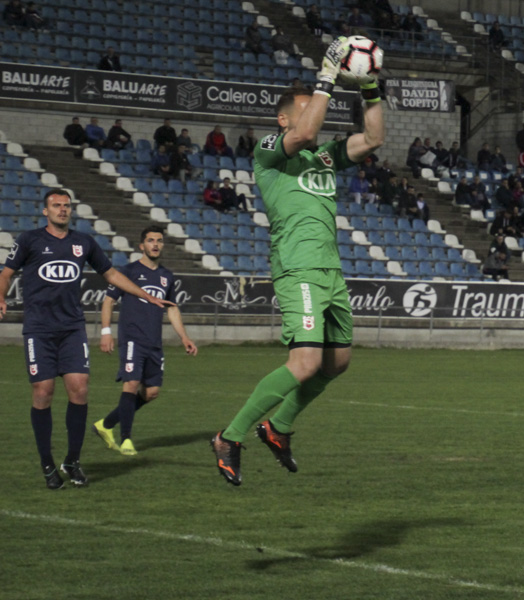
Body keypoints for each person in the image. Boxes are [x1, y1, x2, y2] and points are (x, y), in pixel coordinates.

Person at [210, 37, 386, 486]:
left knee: (336, 363)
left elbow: (374, 137)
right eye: (307, 107)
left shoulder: (323, 159)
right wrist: (326, 78)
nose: (316, 115)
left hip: (330, 270)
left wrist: (369, 87)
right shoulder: (270, 151)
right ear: (284, 118)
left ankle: (279, 426)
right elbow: (305, 132)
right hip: (298, 268)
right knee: (305, 363)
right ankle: (230, 437)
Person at [0, 189, 170, 489]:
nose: (62, 210)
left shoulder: (84, 242)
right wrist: (1, 296)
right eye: (56, 206)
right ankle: (47, 463)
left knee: (79, 389)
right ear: (45, 211)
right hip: (39, 329)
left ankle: (72, 461)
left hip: (72, 328)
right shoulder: (29, 240)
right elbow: (6, 273)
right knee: (43, 391)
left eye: (66, 206)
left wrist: (145, 295)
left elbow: (111, 274)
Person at [92, 226, 197, 456]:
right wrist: (106, 332)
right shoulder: (127, 271)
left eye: (159, 241)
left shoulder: (167, 276)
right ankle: (126, 439)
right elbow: (109, 301)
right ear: (142, 245)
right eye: (151, 240)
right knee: (131, 383)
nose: (155, 244)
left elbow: (172, 310)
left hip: (154, 342)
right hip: (132, 338)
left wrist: (184, 337)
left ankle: (106, 424)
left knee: (151, 393)